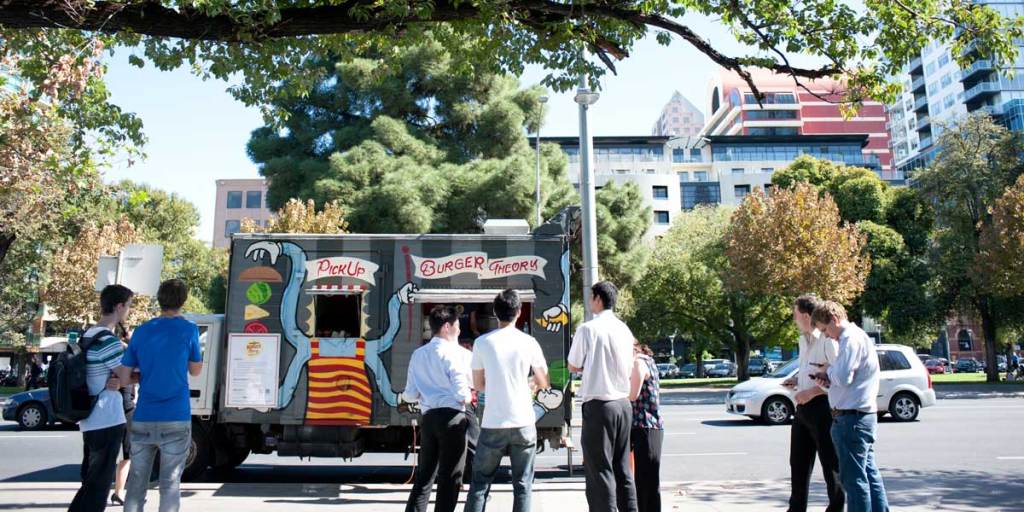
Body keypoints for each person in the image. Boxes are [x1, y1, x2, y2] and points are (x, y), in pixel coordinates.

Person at [117, 279, 203, 512]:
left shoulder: (142, 331)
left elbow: (124, 378)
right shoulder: (189, 329)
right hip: (176, 415)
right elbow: (196, 370)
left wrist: (143, 375)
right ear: (183, 301)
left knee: (136, 483)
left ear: (159, 299)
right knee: (170, 485)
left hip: (145, 415)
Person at [464, 290, 549, 512]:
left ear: (495, 312)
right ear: (519, 312)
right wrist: (529, 383)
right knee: (523, 485)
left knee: (480, 484)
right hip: (523, 421)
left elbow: (479, 384)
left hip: (493, 421)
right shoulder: (529, 342)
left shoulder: (482, 343)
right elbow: (543, 381)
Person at [811, 301, 889, 512]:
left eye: (825, 330)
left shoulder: (849, 339)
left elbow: (844, 377)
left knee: (854, 481)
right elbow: (847, 379)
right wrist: (829, 378)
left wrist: (828, 372)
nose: (827, 336)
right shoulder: (856, 337)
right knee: (869, 474)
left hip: (851, 419)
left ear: (834, 319)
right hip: (858, 416)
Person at [567, 281, 638, 512]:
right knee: (623, 467)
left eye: (591, 297)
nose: (589, 302)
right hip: (623, 404)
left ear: (598, 299)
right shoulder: (624, 329)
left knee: (599, 469)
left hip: (600, 404)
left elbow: (573, 365)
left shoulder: (588, 329)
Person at [69, 284, 134, 512]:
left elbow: (116, 376)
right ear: (118, 306)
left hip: (89, 418)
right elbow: (128, 376)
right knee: (98, 486)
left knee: (90, 482)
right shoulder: (108, 341)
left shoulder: (88, 335)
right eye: (128, 306)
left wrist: (119, 379)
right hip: (106, 418)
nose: (128, 311)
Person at [403, 305, 474, 512]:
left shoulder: (418, 354)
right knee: (450, 477)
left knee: (424, 477)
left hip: (429, 418)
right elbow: (463, 392)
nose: (460, 330)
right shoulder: (458, 354)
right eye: (457, 325)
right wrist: (468, 397)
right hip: (452, 418)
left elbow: (409, 394)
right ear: (446, 327)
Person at [782, 294, 843, 512]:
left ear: (806, 316)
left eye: (795, 314)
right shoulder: (802, 340)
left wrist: (814, 393)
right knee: (798, 463)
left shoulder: (828, 340)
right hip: (802, 410)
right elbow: (811, 370)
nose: (793, 319)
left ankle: (836, 507)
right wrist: (796, 381)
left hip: (823, 409)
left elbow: (839, 378)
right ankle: (796, 508)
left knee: (830, 465)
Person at [629, 342, 663, 512]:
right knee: (647, 481)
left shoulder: (638, 362)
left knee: (645, 481)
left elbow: (632, 395)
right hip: (650, 425)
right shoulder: (649, 360)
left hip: (645, 425)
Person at [111, 323, 136, 507]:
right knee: (129, 453)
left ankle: (118, 492)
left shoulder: (114, 349)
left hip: (115, 407)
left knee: (124, 453)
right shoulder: (125, 351)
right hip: (125, 407)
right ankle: (119, 492)